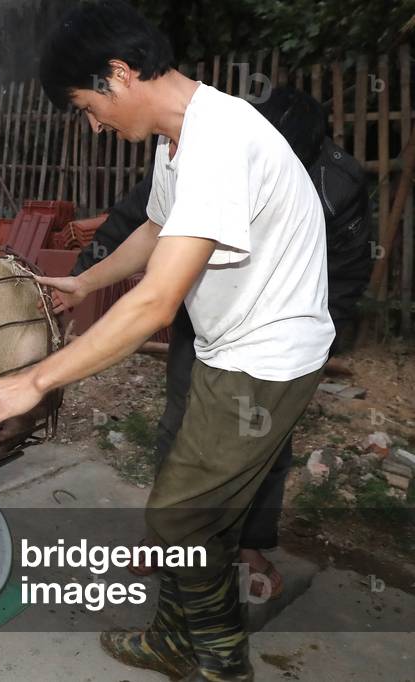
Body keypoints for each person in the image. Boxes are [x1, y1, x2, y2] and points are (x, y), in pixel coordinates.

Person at [0, 2, 334, 680]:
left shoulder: (216, 142)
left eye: (87, 107)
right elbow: (156, 229)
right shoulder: (180, 134)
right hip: (232, 348)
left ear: (119, 75)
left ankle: (220, 663)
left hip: (262, 359)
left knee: (179, 523)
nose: (93, 125)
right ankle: (172, 639)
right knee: (197, 518)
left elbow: (157, 298)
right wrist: (84, 280)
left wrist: (34, 380)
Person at [64, 85, 370, 598]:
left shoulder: (336, 183)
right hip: (206, 317)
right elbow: (141, 220)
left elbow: (349, 270)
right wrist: (84, 277)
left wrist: (314, 345)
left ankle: (240, 547)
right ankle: (169, 540)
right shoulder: (209, 146)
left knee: (260, 448)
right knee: (181, 425)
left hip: (275, 342)